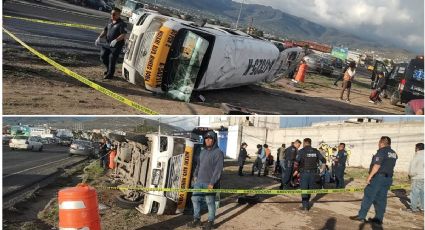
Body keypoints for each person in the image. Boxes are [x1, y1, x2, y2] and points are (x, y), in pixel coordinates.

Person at [350, 136, 398, 226]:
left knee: (368, 196)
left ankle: (361, 216)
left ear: (381, 142)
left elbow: (377, 165)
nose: (378, 144)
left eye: (379, 142)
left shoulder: (382, 151)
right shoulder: (394, 153)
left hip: (378, 178)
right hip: (388, 179)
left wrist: (369, 176)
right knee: (381, 199)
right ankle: (379, 219)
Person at [188, 131, 224, 230]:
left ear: (214, 140)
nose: (208, 140)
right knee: (195, 199)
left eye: (210, 138)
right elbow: (198, 165)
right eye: (206, 138)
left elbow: (218, 170)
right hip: (199, 182)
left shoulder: (218, 153)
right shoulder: (202, 152)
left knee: (210, 202)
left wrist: (212, 183)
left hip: (210, 183)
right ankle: (197, 220)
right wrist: (195, 176)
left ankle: (210, 222)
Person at [95, 8, 127, 79]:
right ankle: (108, 69)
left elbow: (123, 34)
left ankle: (110, 75)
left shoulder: (122, 24)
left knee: (112, 59)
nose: (112, 15)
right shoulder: (110, 21)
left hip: (116, 45)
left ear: (118, 15)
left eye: (114, 14)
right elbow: (105, 30)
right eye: (111, 13)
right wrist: (99, 38)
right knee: (103, 57)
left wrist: (116, 40)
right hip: (107, 43)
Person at [294, 138, 326, 211]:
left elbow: (296, 163)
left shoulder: (301, 151)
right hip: (313, 173)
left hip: (304, 173)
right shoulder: (315, 151)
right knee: (309, 189)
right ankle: (307, 203)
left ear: (304, 143)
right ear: (310, 143)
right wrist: (322, 169)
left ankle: (305, 206)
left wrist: (296, 171)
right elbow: (323, 160)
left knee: (304, 189)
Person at [408, 143, 424, 212]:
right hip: (424, 177)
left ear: (417, 148)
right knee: (423, 193)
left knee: (414, 193)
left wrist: (410, 175)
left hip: (417, 177)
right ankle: (422, 207)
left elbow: (412, 168)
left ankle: (413, 208)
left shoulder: (417, 156)